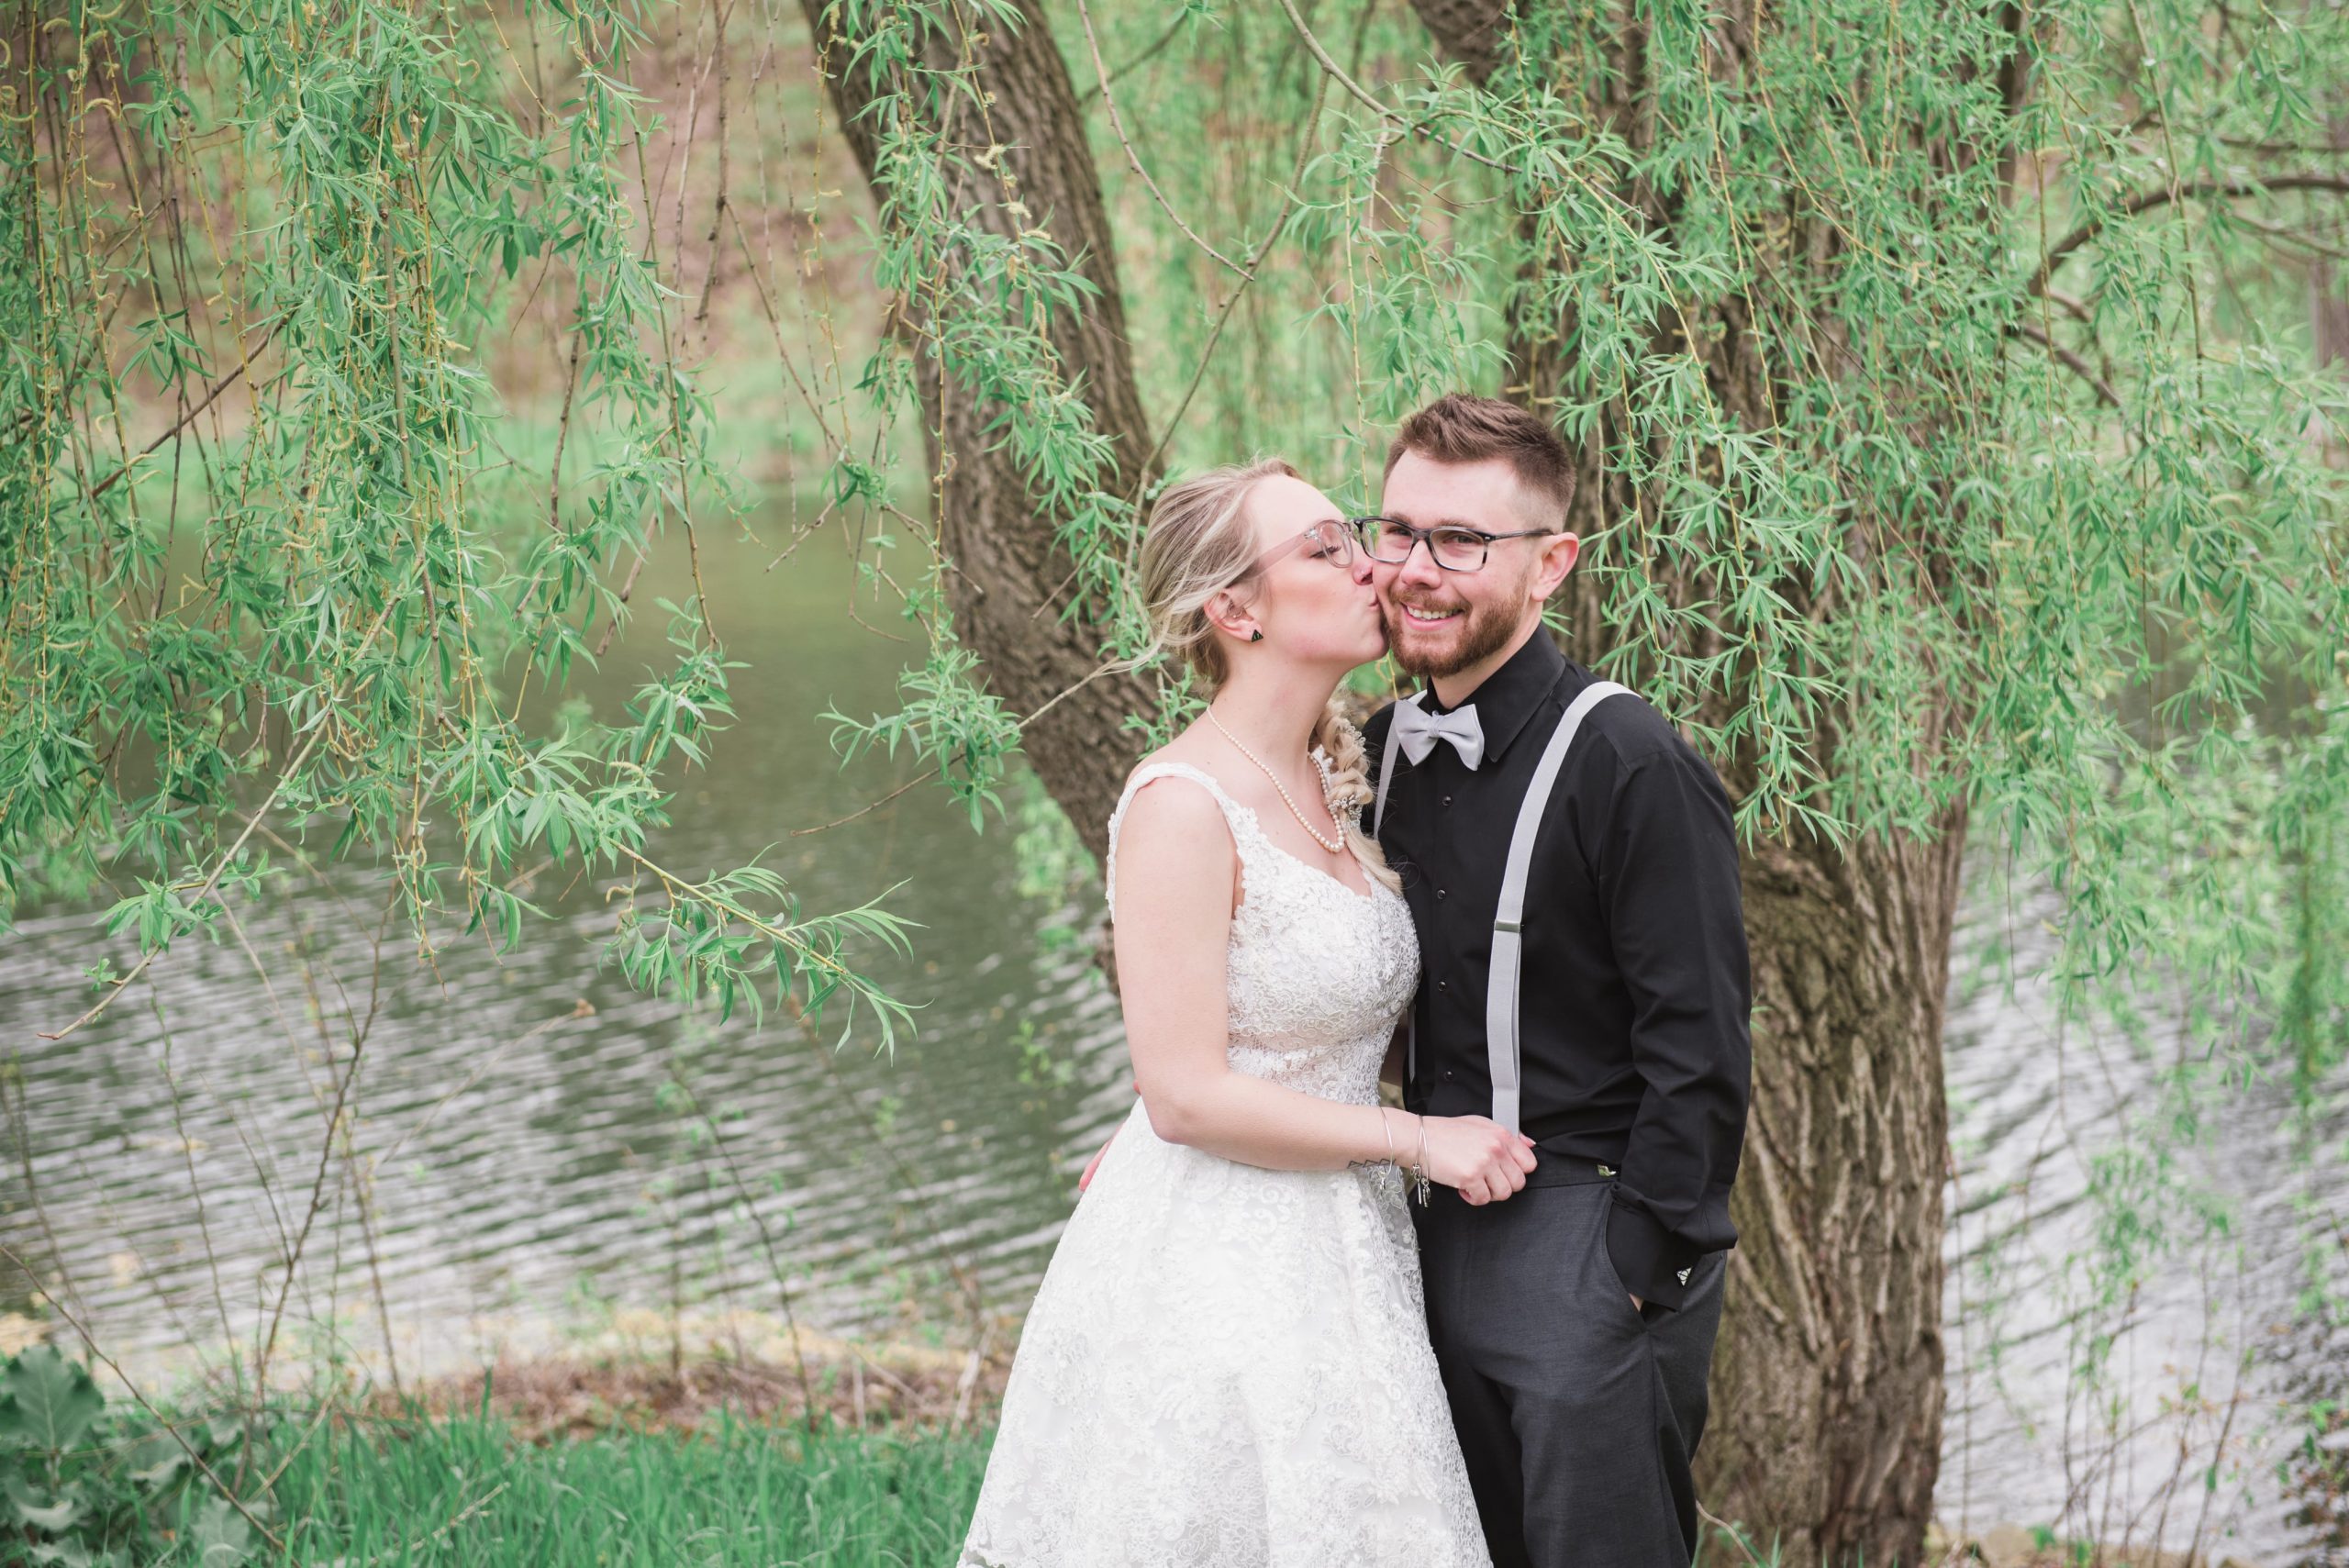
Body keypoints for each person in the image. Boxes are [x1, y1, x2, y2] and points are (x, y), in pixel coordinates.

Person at [958, 458, 1536, 1568]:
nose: (1373, 562)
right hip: (1218, 1260)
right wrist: (1420, 1138)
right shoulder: (1181, 803)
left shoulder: (1349, 776)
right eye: (1324, 547)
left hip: (1346, 1247)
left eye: (1350, 535)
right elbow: (1182, 1092)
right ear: (1234, 608)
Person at [1360, 394, 1753, 1568]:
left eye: (1462, 542)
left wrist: (1638, 1273)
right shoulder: (1370, 752)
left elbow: (1703, 1048)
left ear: (1550, 564)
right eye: (1398, 531)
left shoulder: (1628, 760)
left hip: (1584, 1243)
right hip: (1408, 1239)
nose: (1419, 572)